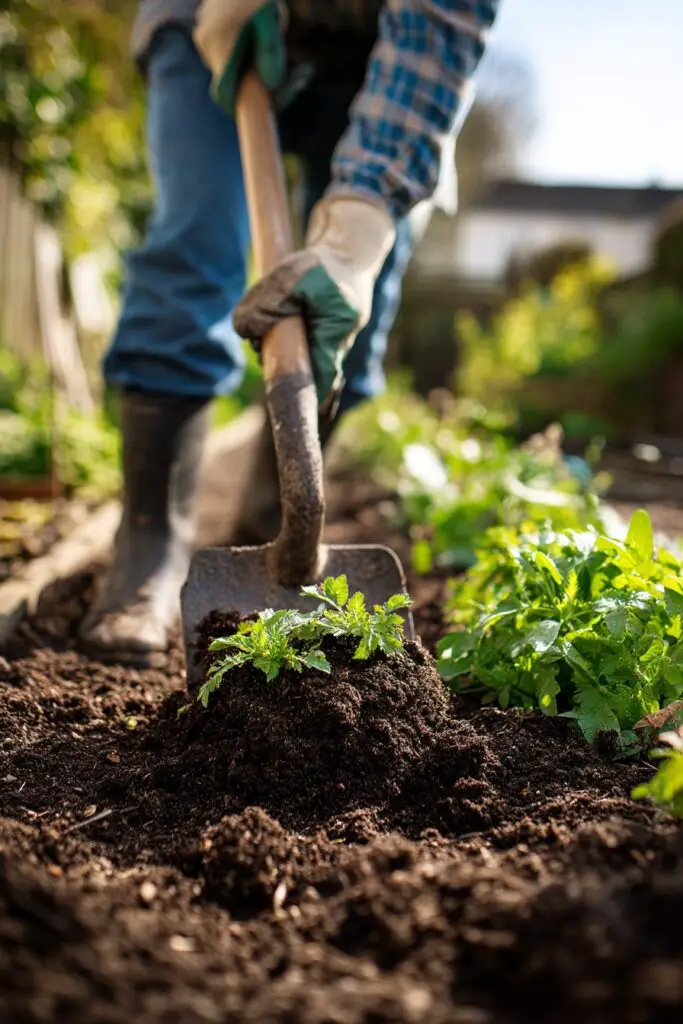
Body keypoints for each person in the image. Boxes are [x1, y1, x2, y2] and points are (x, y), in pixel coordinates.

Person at [80, 0, 500, 659]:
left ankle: (270, 528)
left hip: (382, 61)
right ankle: (148, 549)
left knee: (352, 319)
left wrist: (353, 238)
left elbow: (441, 29)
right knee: (195, 249)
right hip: (211, 21)